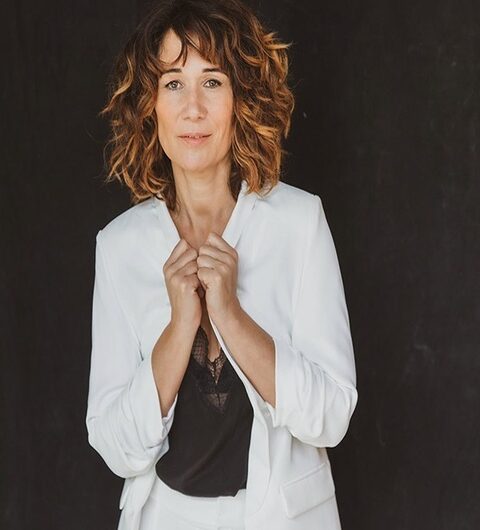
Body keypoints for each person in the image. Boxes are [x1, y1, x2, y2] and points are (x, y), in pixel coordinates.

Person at [85, 1, 358, 529]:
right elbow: (117, 448)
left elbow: (331, 416)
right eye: (173, 84)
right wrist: (180, 326)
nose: (193, 108)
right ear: (150, 107)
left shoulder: (299, 223)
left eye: (212, 82)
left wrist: (229, 314)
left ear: (241, 99)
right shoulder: (119, 247)